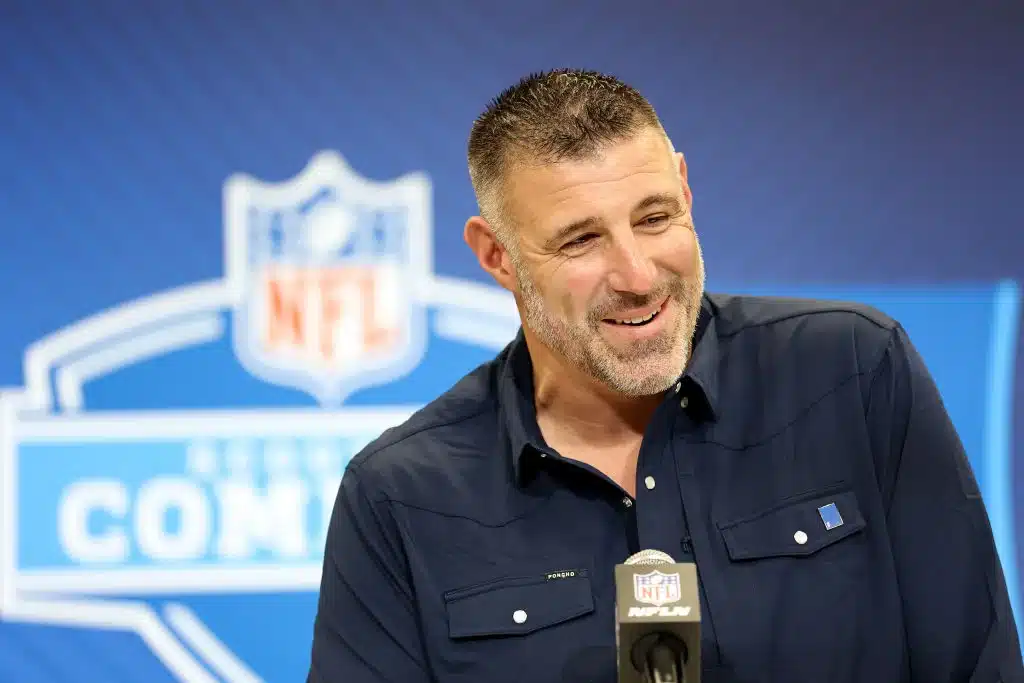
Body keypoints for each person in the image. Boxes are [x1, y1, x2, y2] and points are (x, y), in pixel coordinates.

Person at [306, 69, 1024, 682]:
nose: (639, 276)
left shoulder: (856, 372)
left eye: (654, 217)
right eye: (581, 239)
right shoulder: (400, 497)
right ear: (497, 257)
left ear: (685, 186)